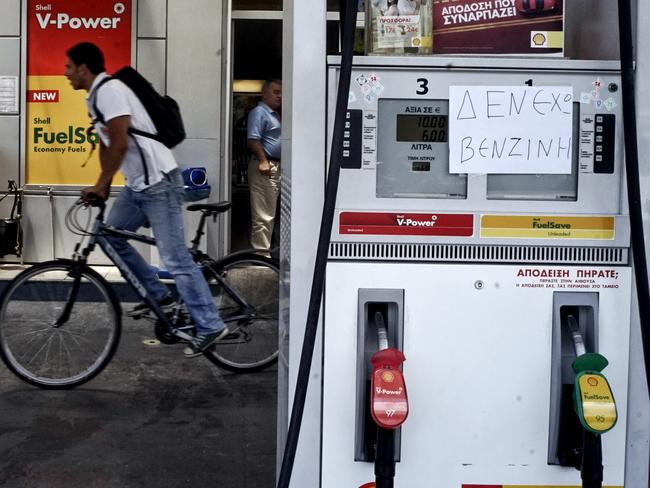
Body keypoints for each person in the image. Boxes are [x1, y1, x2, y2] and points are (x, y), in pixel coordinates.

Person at [64, 42, 228, 358]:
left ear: (84, 68)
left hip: (159, 182)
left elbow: (121, 140)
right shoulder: (94, 97)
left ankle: (210, 324)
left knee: (176, 258)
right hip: (138, 186)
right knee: (109, 237)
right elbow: (107, 143)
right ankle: (160, 296)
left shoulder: (110, 90)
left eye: (68, 66)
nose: (65, 72)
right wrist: (103, 184)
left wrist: (101, 185)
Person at [246, 79, 282, 254]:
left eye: (282, 92)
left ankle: (272, 252)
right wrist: (263, 160)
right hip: (266, 166)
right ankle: (261, 258)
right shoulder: (259, 112)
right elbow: (253, 138)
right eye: (276, 92)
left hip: (278, 166)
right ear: (264, 93)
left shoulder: (277, 114)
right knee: (263, 215)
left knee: (275, 213)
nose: (280, 96)